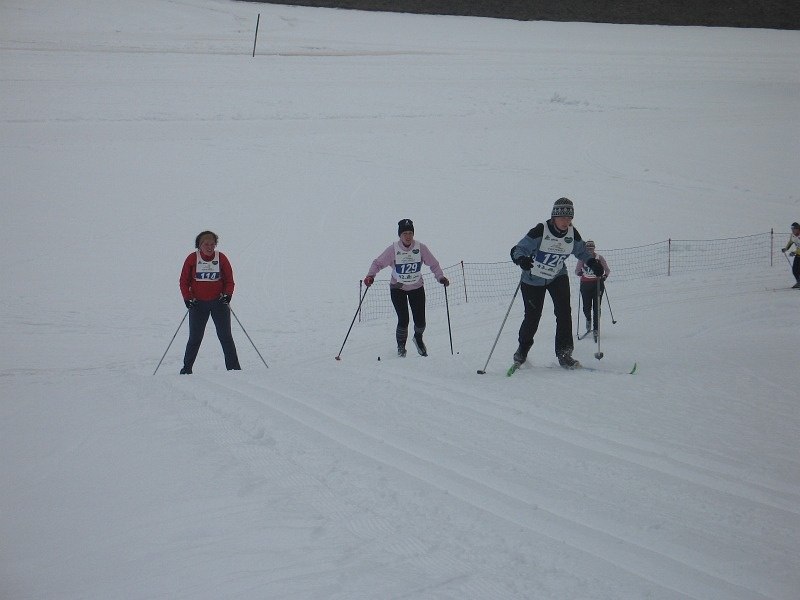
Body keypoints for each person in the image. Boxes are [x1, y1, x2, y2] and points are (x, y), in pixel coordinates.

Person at [509, 197, 603, 369]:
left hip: (557, 276)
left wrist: (592, 263)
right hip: (533, 280)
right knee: (532, 317)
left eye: (569, 218)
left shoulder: (572, 234)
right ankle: (522, 350)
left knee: (564, 312)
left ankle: (564, 354)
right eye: (562, 217)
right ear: (554, 216)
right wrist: (521, 259)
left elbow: (582, 251)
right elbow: (518, 249)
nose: (566, 221)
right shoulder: (540, 230)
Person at [363, 219, 449, 357]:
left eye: (410, 233)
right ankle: (401, 347)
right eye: (405, 233)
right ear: (400, 235)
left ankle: (418, 338)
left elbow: (434, 264)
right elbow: (377, 263)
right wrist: (370, 276)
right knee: (403, 319)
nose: (408, 236)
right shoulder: (393, 249)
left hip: (416, 287)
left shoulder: (421, 248)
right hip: (398, 288)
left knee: (420, 321)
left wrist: (440, 277)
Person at [178, 230, 241, 374]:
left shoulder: (221, 258)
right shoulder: (192, 258)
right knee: (195, 338)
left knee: (225, 336)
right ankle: (186, 370)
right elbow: (183, 281)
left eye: (212, 244)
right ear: (199, 245)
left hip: (219, 303)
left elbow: (229, 280)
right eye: (206, 244)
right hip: (198, 304)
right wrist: (187, 298)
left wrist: (227, 295)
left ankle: (234, 369)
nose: (210, 247)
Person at [575, 240, 610, 340]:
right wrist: (579, 273)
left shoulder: (599, 258)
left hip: (597, 284)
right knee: (586, 307)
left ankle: (596, 328)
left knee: (597, 307)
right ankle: (588, 320)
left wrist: (604, 276)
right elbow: (577, 270)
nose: (589, 250)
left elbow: (607, 270)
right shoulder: (582, 258)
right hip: (585, 284)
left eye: (591, 248)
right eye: (588, 248)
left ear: (594, 248)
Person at [782, 222, 800, 288]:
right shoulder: (793, 235)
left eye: (793, 229)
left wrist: (794, 252)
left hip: (798, 253)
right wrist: (786, 248)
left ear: (798, 229)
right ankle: (799, 282)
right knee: (795, 270)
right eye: (791, 229)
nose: (792, 230)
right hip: (798, 254)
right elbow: (790, 242)